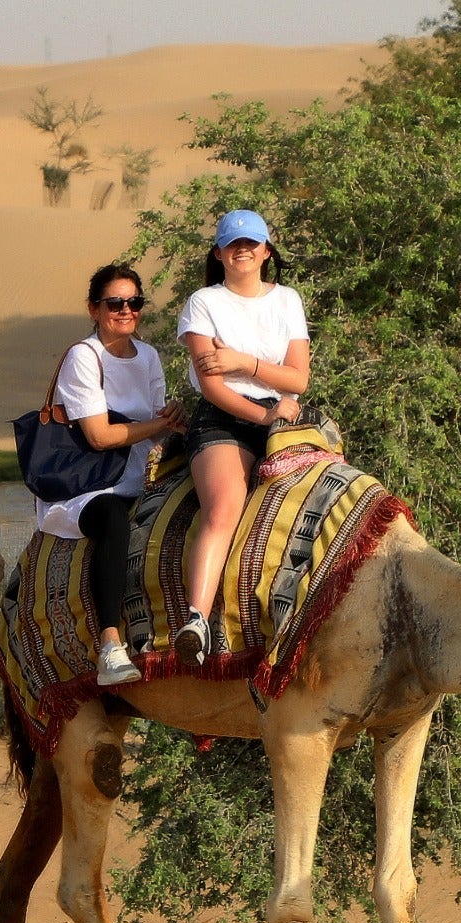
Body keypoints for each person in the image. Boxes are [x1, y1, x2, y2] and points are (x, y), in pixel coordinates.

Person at [35, 262, 184, 690]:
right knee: (115, 521)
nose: (125, 311)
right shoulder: (84, 357)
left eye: (134, 303)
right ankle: (110, 645)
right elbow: (99, 436)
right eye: (114, 303)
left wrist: (174, 421)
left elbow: (157, 427)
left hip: (138, 476)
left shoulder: (150, 356)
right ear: (94, 308)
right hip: (88, 486)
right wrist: (158, 425)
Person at [172, 209, 309, 665]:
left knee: (328, 496)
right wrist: (264, 413)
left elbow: (299, 378)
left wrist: (243, 363)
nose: (243, 250)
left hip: (284, 415)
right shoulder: (203, 304)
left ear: (267, 250)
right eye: (234, 244)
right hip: (224, 418)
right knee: (226, 505)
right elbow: (212, 383)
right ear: (219, 253)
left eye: (252, 243)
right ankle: (196, 620)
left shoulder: (287, 300)